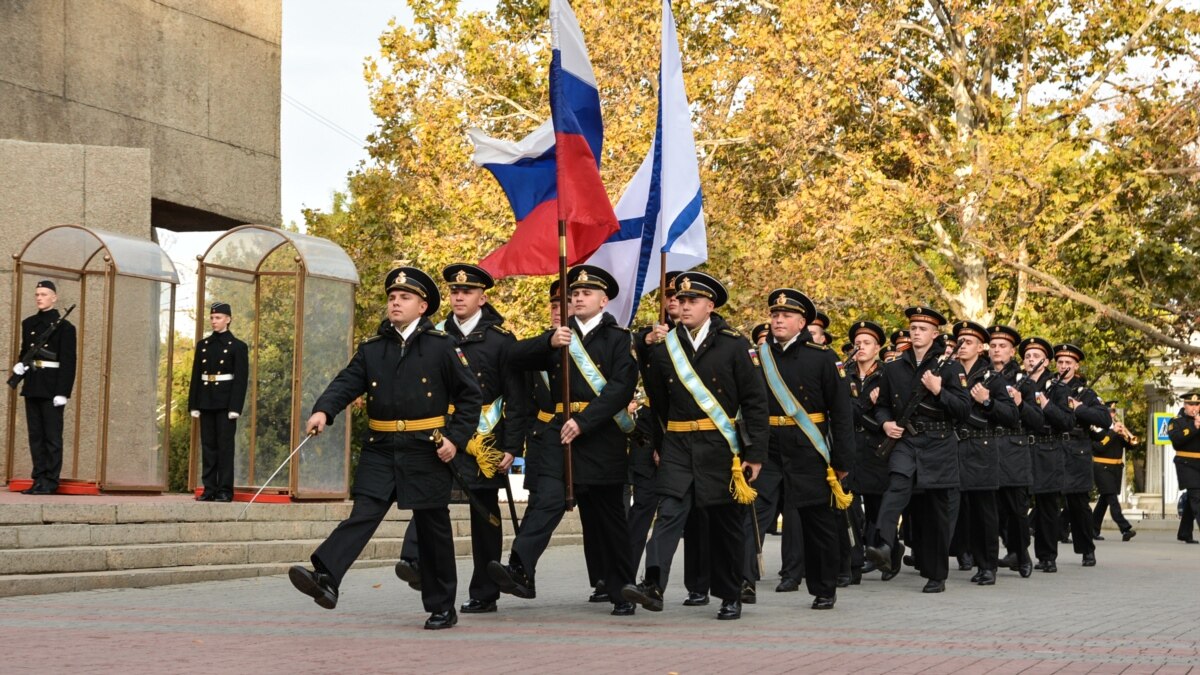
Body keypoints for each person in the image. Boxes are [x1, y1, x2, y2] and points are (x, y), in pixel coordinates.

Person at [288, 266, 482, 630]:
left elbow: (471, 396)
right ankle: (326, 576)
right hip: (381, 447)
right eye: (392, 297)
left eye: (404, 298)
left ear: (422, 306)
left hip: (427, 448)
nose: (396, 302)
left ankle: (442, 605)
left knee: (432, 527)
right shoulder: (373, 349)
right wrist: (323, 410)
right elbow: (346, 382)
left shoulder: (441, 347)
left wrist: (455, 439)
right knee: (364, 512)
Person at [489, 265, 639, 616]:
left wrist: (584, 422)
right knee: (548, 501)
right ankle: (519, 567)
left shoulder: (618, 339)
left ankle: (620, 590)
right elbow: (511, 357)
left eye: (586, 293)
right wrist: (548, 341)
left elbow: (621, 388)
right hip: (559, 434)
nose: (578, 298)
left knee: (607, 517)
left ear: (604, 301)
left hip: (599, 437)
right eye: (574, 294)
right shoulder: (561, 337)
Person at [623, 271, 769, 620]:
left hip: (719, 446)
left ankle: (730, 594)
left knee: (723, 522)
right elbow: (659, 403)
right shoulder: (665, 348)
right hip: (677, 444)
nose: (684, 306)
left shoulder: (734, 344)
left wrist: (756, 454)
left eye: (692, 301)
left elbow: (755, 402)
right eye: (681, 300)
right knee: (669, 513)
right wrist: (660, 444)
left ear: (710, 305)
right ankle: (653, 584)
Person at [394, 263, 531, 614]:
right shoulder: (433, 335)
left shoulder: (502, 341)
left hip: (485, 440)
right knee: (428, 500)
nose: (458, 296)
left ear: (482, 298)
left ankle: (485, 592)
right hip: (440, 434)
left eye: (466, 291)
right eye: (454, 291)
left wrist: (512, 447)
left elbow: (517, 399)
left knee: (484, 517)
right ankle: (415, 562)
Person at [754, 288, 855, 609]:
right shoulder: (757, 357)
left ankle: (824, 587)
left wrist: (842, 459)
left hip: (807, 448)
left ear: (802, 322)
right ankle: (743, 581)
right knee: (751, 516)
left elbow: (841, 413)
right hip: (767, 448)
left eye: (786, 316)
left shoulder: (822, 357)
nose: (778, 320)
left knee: (816, 521)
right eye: (774, 315)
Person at [864, 306, 963, 594]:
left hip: (939, 444)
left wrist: (938, 390)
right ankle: (883, 544)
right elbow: (881, 406)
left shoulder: (950, 368)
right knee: (896, 485)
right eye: (913, 328)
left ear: (935, 334)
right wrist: (885, 424)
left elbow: (963, 408)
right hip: (906, 440)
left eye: (923, 328)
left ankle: (936, 575)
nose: (916, 333)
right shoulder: (893, 368)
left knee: (936, 512)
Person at [943, 321, 1018, 586]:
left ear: (980, 347)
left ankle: (988, 566)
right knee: (963, 512)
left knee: (984, 511)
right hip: (953, 447)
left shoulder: (992, 378)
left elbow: (1011, 415)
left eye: (969, 342)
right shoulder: (948, 373)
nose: (962, 347)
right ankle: (971, 558)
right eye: (959, 342)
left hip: (982, 447)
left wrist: (987, 400)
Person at [1042, 343, 1109, 567]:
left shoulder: (1086, 393)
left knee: (1079, 505)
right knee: (1049, 504)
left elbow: (1104, 419)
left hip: (1077, 450)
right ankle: (1047, 555)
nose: (1063, 366)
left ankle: (1086, 549)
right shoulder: (1047, 387)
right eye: (1060, 362)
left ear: (1076, 366)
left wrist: (1079, 408)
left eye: (1068, 363)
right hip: (1052, 447)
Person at [12, 280, 77, 495]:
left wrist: (63, 392)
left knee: (52, 436)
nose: (39, 297)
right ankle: (38, 479)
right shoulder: (29, 323)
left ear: (54, 298)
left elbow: (69, 362)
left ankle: (50, 480)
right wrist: (21, 364)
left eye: (44, 294)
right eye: (37, 294)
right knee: (36, 436)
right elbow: (26, 351)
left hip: (52, 387)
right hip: (33, 384)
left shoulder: (65, 327)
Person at [988, 325, 1043, 578]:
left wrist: (1020, 404)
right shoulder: (981, 375)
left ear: (1012, 352)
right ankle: (997, 553)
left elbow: (1037, 420)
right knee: (992, 509)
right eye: (994, 345)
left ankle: (1022, 553)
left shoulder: (1023, 383)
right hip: (987, 448)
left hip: (1013, 449)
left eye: (1003, 346)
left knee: (1016, 509)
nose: (997, 350)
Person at [187, 302, 249, 502]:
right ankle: (209, 488)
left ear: (228, 319)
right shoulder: (204, 345)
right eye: (212, 318)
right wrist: (194, 404)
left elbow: (240, 379)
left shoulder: (238, 346)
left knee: (224, 447)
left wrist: (235, 407)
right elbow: (196, 376)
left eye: (219, 317)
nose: (214, 321)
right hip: (206, 399)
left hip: (225, 402)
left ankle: (224, 489)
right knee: (208, 447)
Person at [846, 321, 892, 580]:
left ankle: (886, 552)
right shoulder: (845, 372)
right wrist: (865, 402)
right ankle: (855, 561)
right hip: (852, 446)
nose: (860, 347)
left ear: (877, 348)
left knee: (877, 506)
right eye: (858, 343)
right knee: (850, 506)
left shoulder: (887, 374)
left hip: (877, 449)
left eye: (866, 343)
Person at [1019, 336, 1064, 572]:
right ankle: (1019, 551)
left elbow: (1066, 420)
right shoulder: (1019, 385)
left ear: (1046, 362)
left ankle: (1047, 556)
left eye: (1035, 356)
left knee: (1047, 506)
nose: (1030, 360)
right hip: (1023, 447)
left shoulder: (1056, 386)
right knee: (1018, 503)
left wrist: (1047, 405)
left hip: (1047, 449)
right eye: (1027, 356)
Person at [1090, 401, 1136, 542]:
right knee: (1112, 499)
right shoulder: (1096, 428)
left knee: (1104, 500)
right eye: (1109, 411)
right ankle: (1125, 528)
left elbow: (1132, 446)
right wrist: (1112, 432)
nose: (1112, 414)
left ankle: (1092, 529)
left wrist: (1126, 435)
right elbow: (1098, 448)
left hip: (1116, 469)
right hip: (1101, 468)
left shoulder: (1117, 429)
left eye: (1113, 412)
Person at [1167, 391, 1200, 544]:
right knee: (1196, 496)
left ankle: (1185, 533)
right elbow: (1177, 441)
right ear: (1185, 405)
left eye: (1197, 404)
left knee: (1192, 500)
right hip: (1186, 463)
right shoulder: (1176, 421)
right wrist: (1194, 427)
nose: (1194, 408)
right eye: (1191, 404)